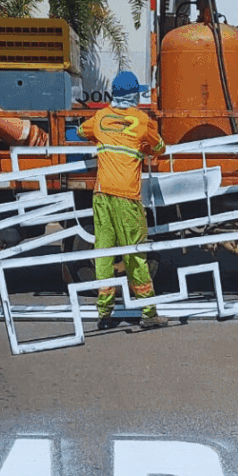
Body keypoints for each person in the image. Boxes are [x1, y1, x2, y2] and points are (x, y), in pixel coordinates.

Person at [76, 71, 168, 330]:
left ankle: (104, 313)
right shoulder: (141, 120)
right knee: (135, 254)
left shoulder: (101, 117)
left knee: (103, 253)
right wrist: (144, 147)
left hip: (102, 195)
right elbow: (161, 147)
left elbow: (81, 132)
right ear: (135, 94)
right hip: (128, 198)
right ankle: (148, 313)